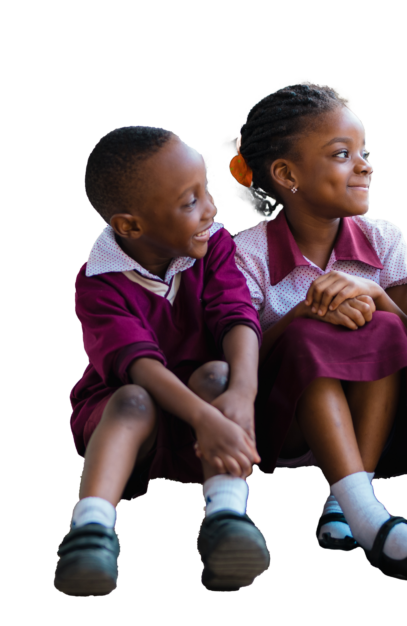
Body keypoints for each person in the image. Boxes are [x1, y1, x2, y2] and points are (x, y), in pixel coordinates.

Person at [223, 80, 407, 582]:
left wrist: (377, 297)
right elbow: (233, 364)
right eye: (342, 154)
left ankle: (346, 498)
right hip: (284, 429)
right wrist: (300, 317)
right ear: (287, 174)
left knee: (382, 326)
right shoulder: (245, 252)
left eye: (365, 152)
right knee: (309, 337)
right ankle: (370, 517)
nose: (365, 165)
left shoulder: (385, 238)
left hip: (368, 429)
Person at [56, 126, 270, 597]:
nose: (212, 208)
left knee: (219, 373)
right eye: (189, 202)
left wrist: (240, 394)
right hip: (132, 426)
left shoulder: (213, 244)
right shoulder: (98, 281)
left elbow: (237, 316)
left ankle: (227, 520)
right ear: (131, 226)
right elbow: (138, 364)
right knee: (133, 399)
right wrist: (205, 417)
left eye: (206, 190)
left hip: (205, 413)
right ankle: (90, 532)